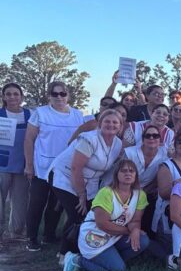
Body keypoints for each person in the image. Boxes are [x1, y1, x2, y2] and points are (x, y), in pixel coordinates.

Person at [49, 110, 124, 258]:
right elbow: (76, 168)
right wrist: (81, 195)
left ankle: (81, 248)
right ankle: (64, 253)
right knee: (77, 213)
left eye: (115, 122)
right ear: (100, 123)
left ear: (120, 126)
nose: (111, 125)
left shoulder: (118, 143)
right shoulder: (89, 139)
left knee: (89, 214)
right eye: (107, 121)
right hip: (66, 175)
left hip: (90, 180)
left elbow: (110, 168)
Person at [24, 81, 87, 251]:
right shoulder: (40, 113)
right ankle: (31, 237)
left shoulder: (77, 115)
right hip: (42, 167)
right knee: (37, 203)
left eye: (62, 94)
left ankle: (49, 235)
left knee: (56, 205)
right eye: (55, 94)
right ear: (49, 96)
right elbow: (29, 139)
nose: (59, 97)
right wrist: (29, 165)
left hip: (63, 169)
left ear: (68, 96)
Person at [62, 159, 151, 271]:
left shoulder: (140, 195)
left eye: (131, 171)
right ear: (116, 175)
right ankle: (76, 260)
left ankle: (113, 261)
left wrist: (135, 229)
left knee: (143, 240)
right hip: (95, 233)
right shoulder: (106, 193)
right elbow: (102, 224)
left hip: (116, 235)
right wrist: (130, 231)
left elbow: (135, 220)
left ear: (135, 175)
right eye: (123, 171)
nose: (128, 173)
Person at [0, 83, 31, 250]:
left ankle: (17, 232)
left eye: (16, 94)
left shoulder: (29, 114)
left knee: (20, 202)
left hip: (22, 164)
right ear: (3, 97)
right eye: (9, 94)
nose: (12, 97)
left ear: (21, 97)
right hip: (0, 164)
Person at [120, 124, 168, 235]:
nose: (152, 138)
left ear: (159, 139)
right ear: (143, 139)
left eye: (155, 136)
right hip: (125, 189)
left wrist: (144, 191)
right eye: (148, 136)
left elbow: (159, 177)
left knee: (147, 213)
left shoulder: (164, 155)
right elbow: (120, 175)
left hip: (146, 191)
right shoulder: (130, 153)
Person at [152, 132, 181, 252]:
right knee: (171, 252)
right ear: (175, 145)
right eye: (180, 142)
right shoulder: (166, 166)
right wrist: (179, 185)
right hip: (168, 217)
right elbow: (164, 193)